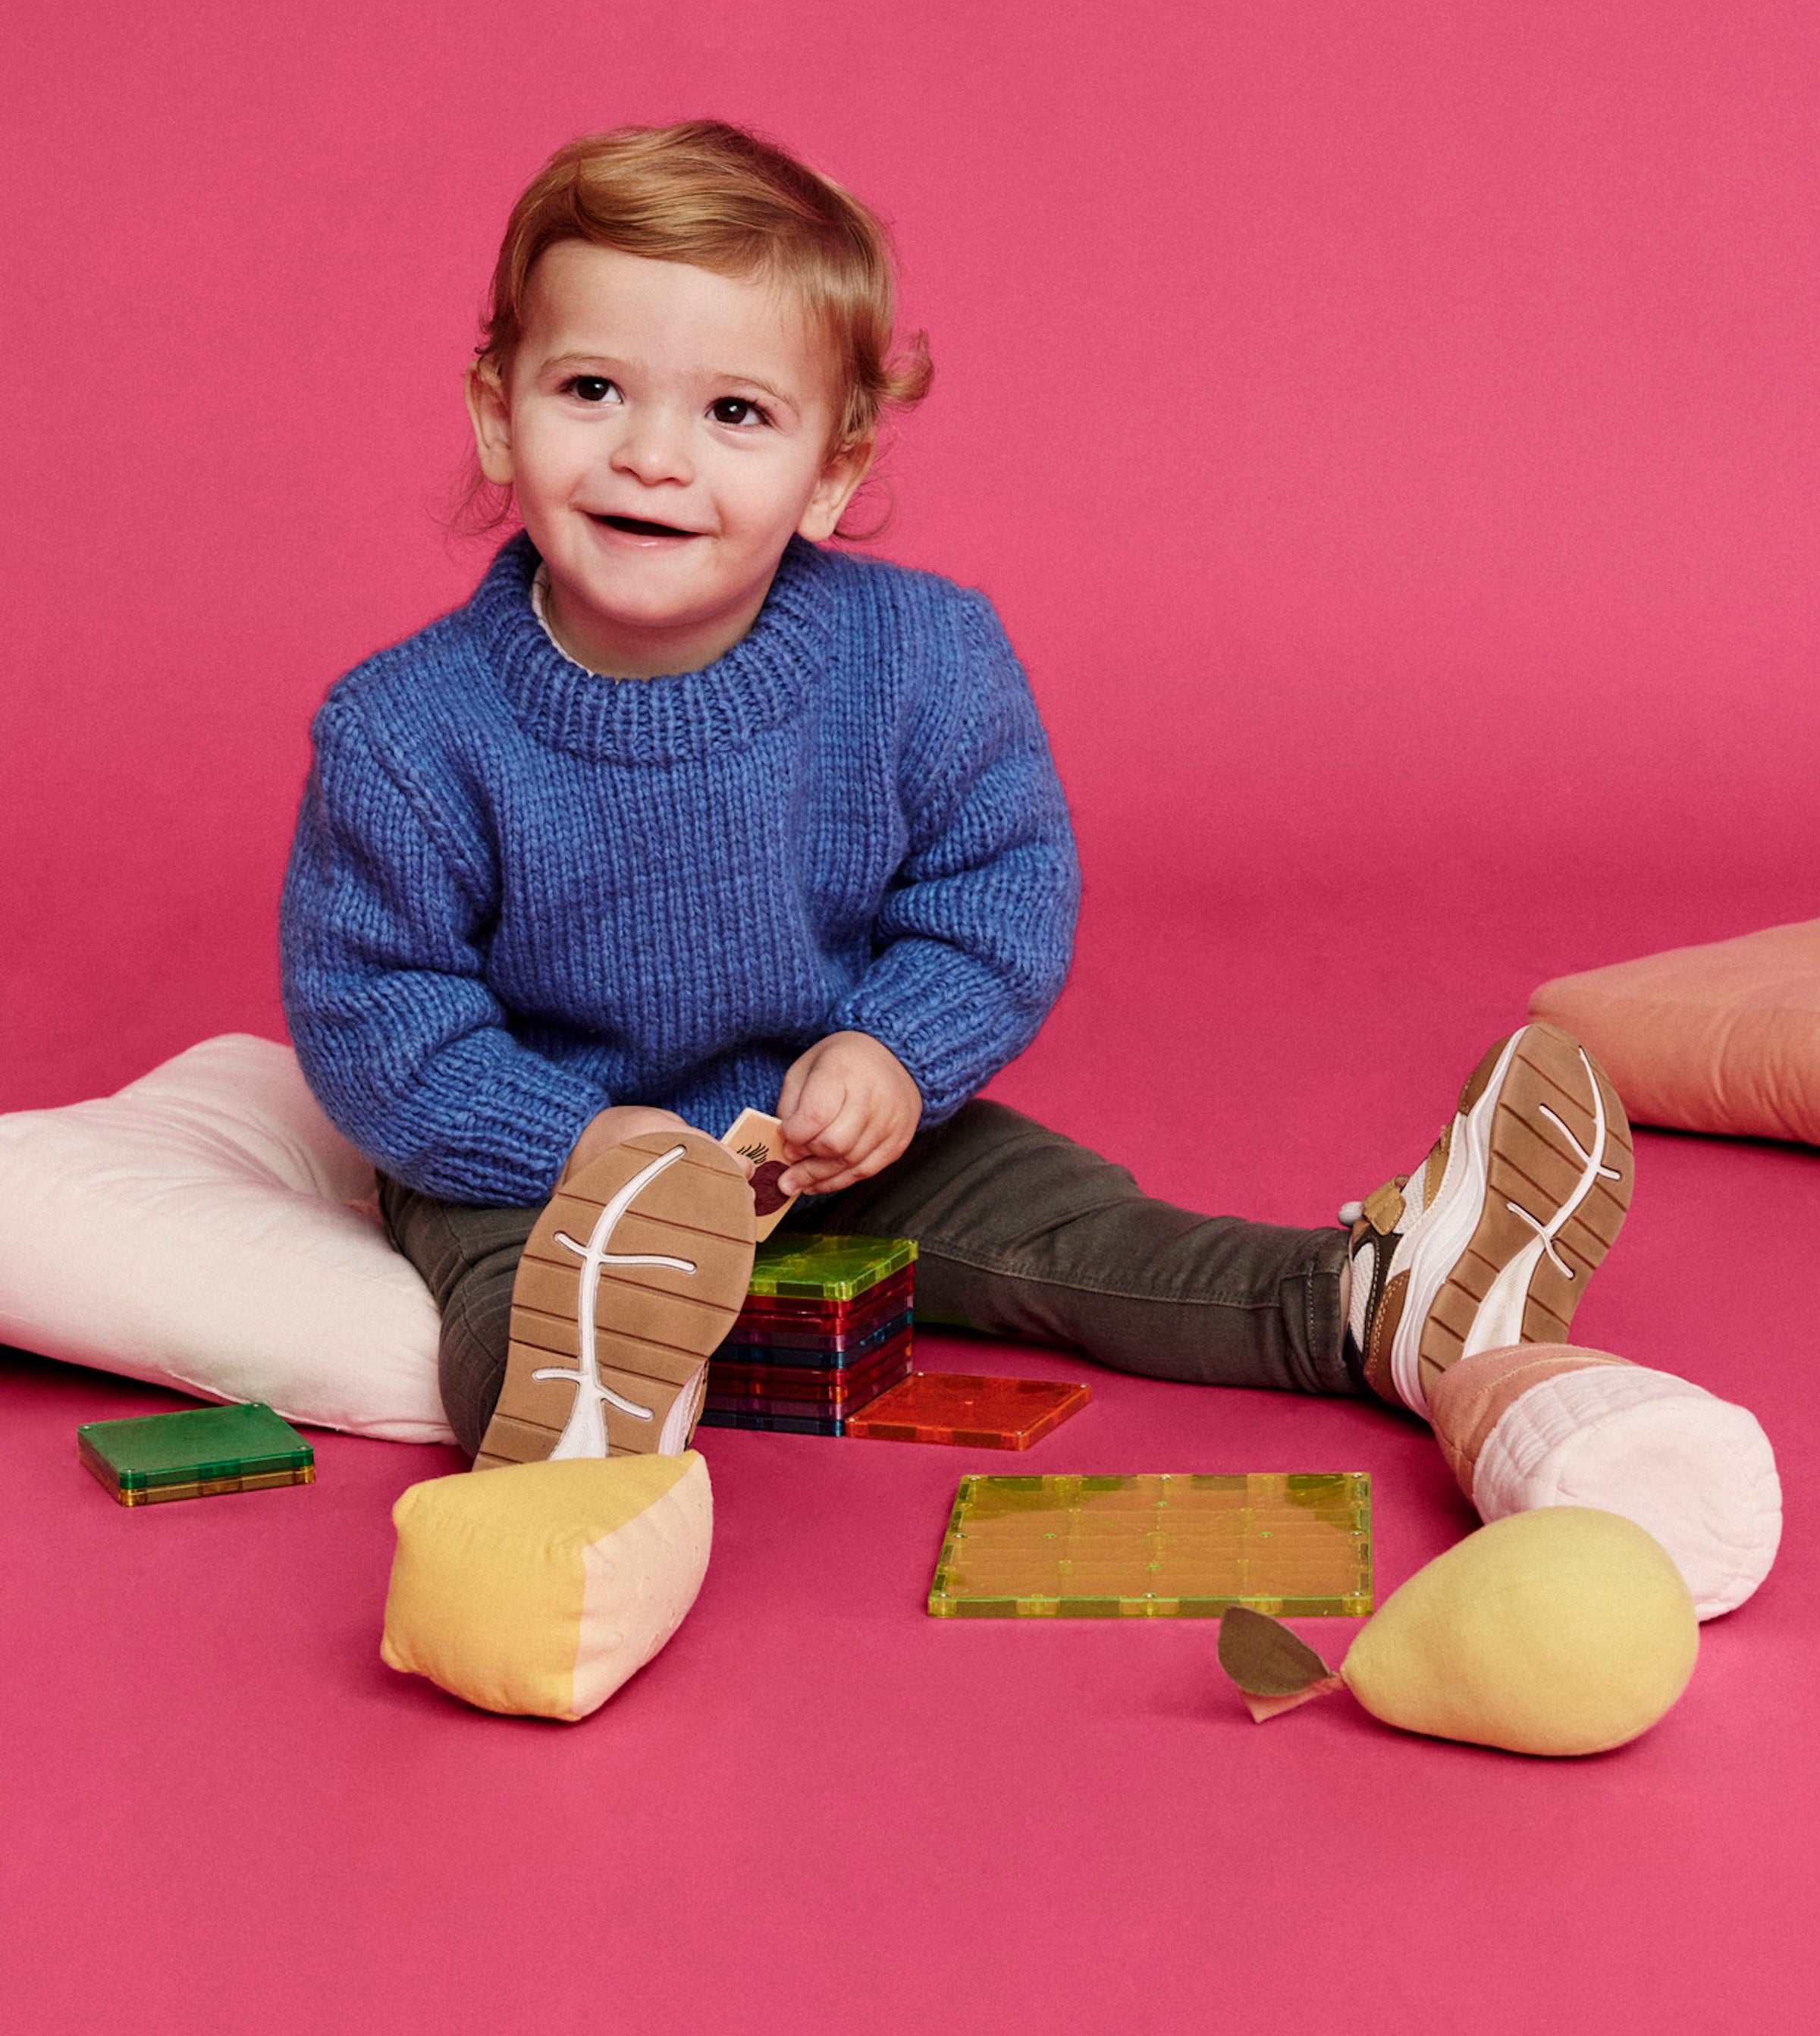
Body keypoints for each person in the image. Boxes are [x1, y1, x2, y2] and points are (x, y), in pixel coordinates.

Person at [280, 121, 1633, 1463]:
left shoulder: (922, 656)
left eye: (735, 413)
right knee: (510, 1293)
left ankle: (1365, 1304)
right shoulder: (402, 730)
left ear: (833, 474)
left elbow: (995, 899)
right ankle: (584, 1428)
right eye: (592, 390)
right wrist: (585, 1147)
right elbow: (380, 1019)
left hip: (827, 1138)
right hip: (546, 1173)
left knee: (1075, 1227)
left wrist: (893, 1053)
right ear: (496, 416)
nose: (653, 456)